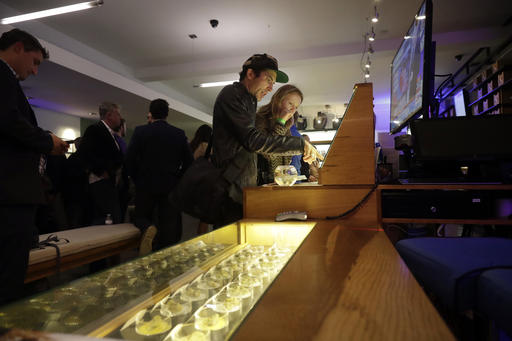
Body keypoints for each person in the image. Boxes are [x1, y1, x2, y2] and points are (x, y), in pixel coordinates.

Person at [212, 53, 322, 225]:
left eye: (273, 83)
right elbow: (254, 141)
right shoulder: (233, 95)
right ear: (250, 74)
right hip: (230, 188)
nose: (271, 87)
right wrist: (300, 144)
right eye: (269, 79)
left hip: (245, 188)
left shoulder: (248, 100)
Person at [0, 28, 68, 304]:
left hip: (11, 193)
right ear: (18, 48)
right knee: (8, 276)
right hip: (9, 194)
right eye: (35, 61)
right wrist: (46, 141)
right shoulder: (2, 75)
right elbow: (9, 122)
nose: (35, 71)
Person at [126, 99, 193, 254]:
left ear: (151, 113)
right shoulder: (178, 134)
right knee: (168, 226)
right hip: (170, 186)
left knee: (142, 218)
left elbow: (129, 160)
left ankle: (145, 251)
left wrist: (137, 178)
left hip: (145, 185)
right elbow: (189, 163)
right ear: (167, 114)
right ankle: (165, 257)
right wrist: (177, 178)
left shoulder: (140, 131)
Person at [77, 102, 124, 225]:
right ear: (109, 115)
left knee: (112, 216)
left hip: (108, 181)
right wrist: (101, 171)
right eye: (118, 114)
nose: (120, 117)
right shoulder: (95, 129)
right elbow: (84, 153)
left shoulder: (110, 133)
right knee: (108, 217)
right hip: (100, 182)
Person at [255, 84, 303, 184]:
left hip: (278, 182)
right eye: (290, 104)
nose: (293, 110)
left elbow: (287, 155)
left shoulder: (288, 125)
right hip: (261, 181)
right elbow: (269, 150)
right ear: (278, 100)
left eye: (296, 107)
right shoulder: (259, 119)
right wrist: (281, 122)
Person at [189, 124, 213, 235]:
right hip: (205, 185)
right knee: (204, 219)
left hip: (192, 183)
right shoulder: (207, 147)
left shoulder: (191, 146)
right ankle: (201, 241)